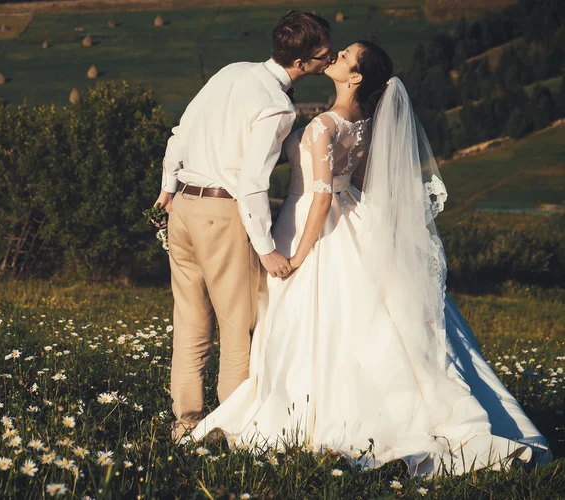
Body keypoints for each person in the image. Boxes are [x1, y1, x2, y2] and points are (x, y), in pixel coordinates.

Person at [190, 41, 551, 476]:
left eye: (343, 57)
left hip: (312, 225)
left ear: (355, 77)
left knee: (312, 322)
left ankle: (317, 415)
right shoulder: (363, 121)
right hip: (350, 216)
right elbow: (358, 180)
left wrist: (300, 256)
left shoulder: (325, 124)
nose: (335, 58)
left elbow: (321, 200)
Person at [153, 11, 335, 442]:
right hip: (223, 213)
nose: (329, 60)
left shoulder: (231, 71)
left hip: (182, 208)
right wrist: (265, 246)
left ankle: (186, 422)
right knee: (238, 325)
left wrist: (167, 188)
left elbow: (180, 133)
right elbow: (253, 182)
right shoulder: (277, 107)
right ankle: (230, 429)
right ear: (303, 63)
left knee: (190, 318)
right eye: (324, 54)